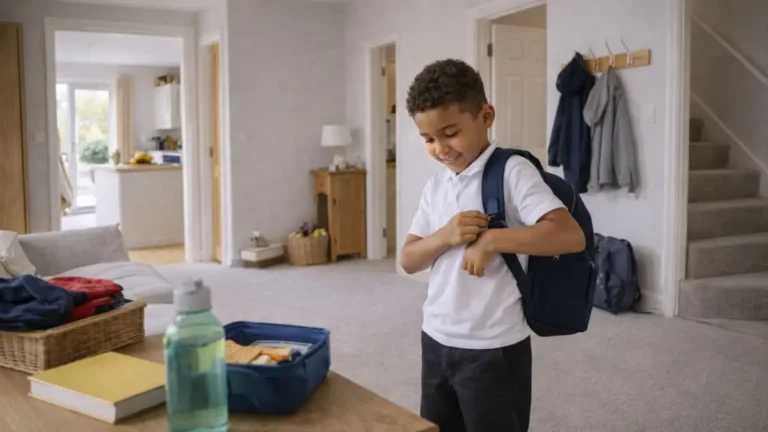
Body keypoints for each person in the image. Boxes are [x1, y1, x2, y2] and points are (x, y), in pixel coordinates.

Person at [401, 58, 586, 432]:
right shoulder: (437, 186)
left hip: (493, 347)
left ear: (486, 116)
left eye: (450, 133)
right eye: (428, 139)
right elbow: (408, 259)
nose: (440, 149)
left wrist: (491, 240)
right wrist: (446, 235)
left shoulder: (512, 171)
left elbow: (569, 235)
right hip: (436, 336)